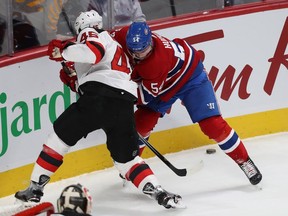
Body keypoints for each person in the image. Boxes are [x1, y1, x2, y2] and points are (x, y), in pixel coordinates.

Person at [14, 10, 183, 209]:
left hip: (99, 97)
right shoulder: (115, 45)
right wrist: (69, 67)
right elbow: (91, 71)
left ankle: (35, 188)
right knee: (127, 161)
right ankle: (159, 192)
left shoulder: (92, 33)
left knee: (58, 139)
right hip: (123, 104)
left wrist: (65, 49)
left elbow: (94, 53)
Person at [110, 22, 263, 186]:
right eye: (135, 51)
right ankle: (129, 164)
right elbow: (104, 40)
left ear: (151, 43)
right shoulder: (126, 34)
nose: (138, 55)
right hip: (163, 82)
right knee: (140, 124)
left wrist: (115, 98)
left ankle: (244, 160)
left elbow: (143, 97)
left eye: (143, 50)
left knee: (213, 125)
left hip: (190, 78)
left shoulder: (155, 64)